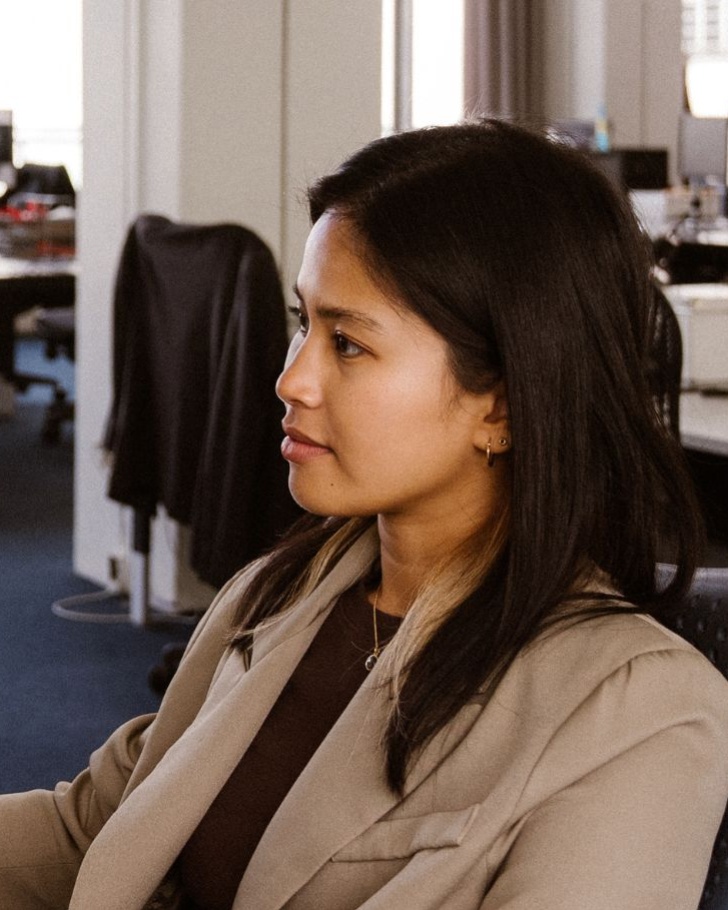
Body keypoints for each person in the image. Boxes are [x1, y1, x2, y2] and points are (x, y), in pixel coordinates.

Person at [2, 118, 728, 910]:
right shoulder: (280, 595)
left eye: (346, 343)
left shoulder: (637, 714)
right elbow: (101, 831)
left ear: (504, 406)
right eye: (302, 324)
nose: (292, 380)